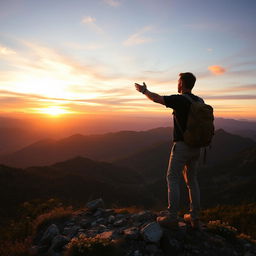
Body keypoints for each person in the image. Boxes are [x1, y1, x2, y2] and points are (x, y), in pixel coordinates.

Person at [135, 72, 202, 229]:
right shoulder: (199, 100)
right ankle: (195, 217)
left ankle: (172, 216)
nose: (177, 84)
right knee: (192, 181)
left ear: (182, 83)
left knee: (172, 178)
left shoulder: (180, 100)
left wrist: (144, 91)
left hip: (182, 146)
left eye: (179, 81)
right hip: (197, 147)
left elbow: (157, 98)